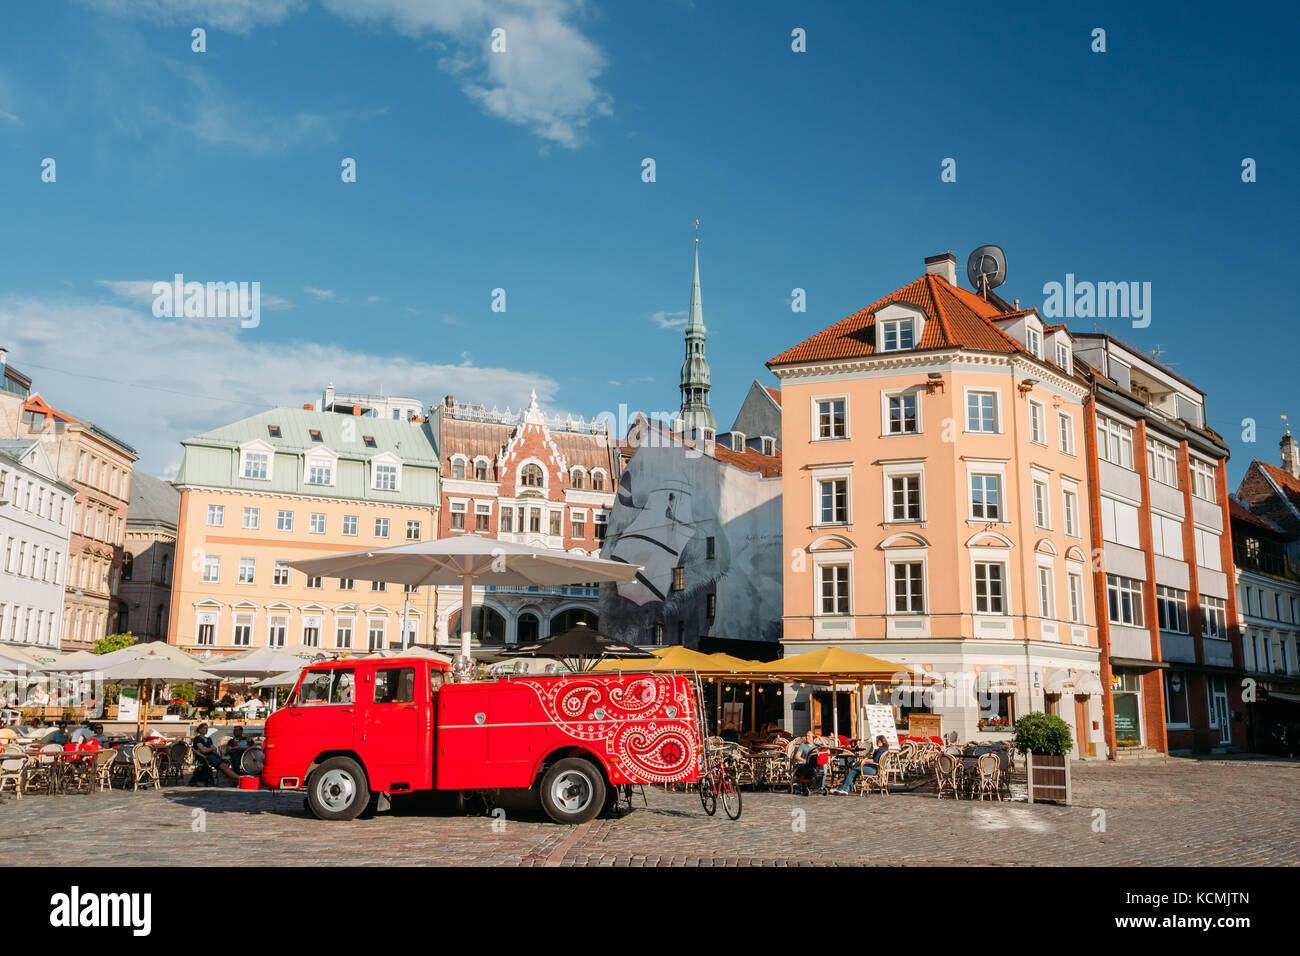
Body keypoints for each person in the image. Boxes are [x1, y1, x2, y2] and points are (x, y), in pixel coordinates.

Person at [792, 730, 826, 795]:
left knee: (824, 766)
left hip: (815, 763)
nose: (807, 737)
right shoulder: (803, 746)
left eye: (808, 736)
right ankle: (809, 785)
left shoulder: (816, 746)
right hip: (805, 763)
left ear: (813, 737)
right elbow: (797, 756)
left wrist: (820, 739)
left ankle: (821, 786)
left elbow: (826, 749)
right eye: (806, 736)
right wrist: (805, 760)